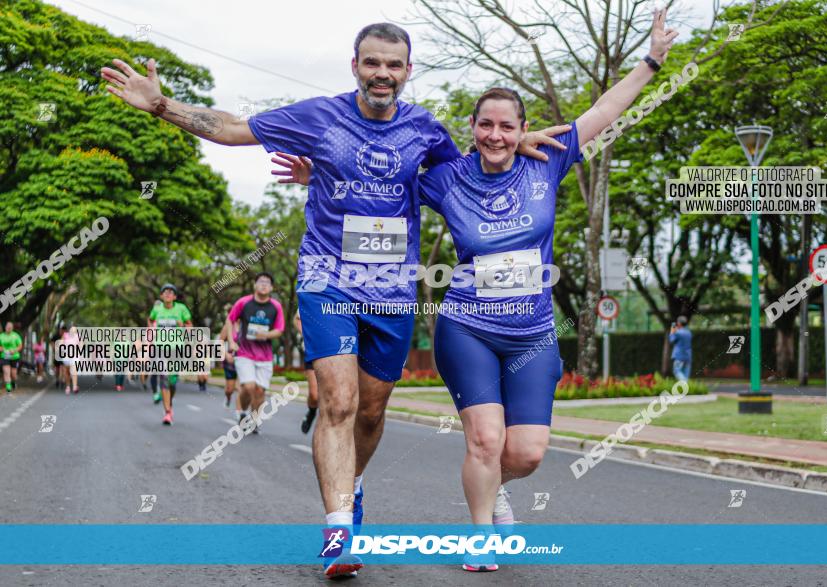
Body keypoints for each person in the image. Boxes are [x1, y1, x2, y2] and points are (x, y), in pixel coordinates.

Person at [102, 21, 562, 580]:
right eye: (373, 63)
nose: (383, 74)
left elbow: (469, 175)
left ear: (407, 71)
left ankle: (354, 485)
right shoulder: (319, 116)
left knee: (370, 411)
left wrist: (520, 144)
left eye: (394, 65)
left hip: (393, 288)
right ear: (355, 66)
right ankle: (339, 525)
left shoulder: (425, 129)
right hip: (327, 279)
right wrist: (161, 106)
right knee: (339, 402)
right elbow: (230, 128)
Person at [275, 9, 678, 573]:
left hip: (533, 332)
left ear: (521, 130)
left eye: (507, 126)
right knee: (485, 442)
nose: (495, 135)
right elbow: (377, 176)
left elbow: (606, 110)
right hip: (468, 325)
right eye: (485, 125)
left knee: (525, 453)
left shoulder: (549, 163)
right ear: (471, 128)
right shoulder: (446, 178)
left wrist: (653, 61)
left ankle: (498, 488)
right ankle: (481, 533)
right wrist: (320, 175)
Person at [224, 273, 285, 434]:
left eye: (267, 282)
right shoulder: (243, 302)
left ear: (271, 288)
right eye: (261, 282)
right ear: (255, 285)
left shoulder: (276, 306)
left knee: (260, 391)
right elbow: (230, 320)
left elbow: (279, 330)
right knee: (248, 386)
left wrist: (265, 335)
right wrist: (231, 341)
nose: (264, 285)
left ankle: (254, 418)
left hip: (265, 356)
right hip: (244, 352)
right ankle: (242, 412)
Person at [148, 284, 193, 425]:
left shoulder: (181, 309)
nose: (167, 294)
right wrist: (151, 331)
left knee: (172, 381)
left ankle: (170, 403)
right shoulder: (156, 309)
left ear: (174, 296)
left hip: (176, 349)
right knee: (164, 377)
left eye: (171, 292)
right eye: (165, 292)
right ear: (161, 296)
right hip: (160, 347)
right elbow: (150, 319)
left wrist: (183, 327)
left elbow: (190, 326)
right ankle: (167, 412)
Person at [293, 309, 319, 434]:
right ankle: (312, 412)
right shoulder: (314, 291)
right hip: (313, 350)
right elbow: (297, 318)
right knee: (314, 396)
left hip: (338, 352)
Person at [218, 307, 239, 408]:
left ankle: (241, 412)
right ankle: (228, 396)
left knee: (241, 387)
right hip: (230, 360)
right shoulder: (228, 326)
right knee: (230, 389)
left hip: (245, 359)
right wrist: (226, 355)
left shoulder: (247, 325)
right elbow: (220, 342)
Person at [0, 322, 24, 393]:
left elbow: (20, 346)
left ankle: (13, 381)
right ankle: (8, 387)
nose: (9, 329)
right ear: (5, 327)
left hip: (14, 357)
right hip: (4, 356)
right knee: (6, 371)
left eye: (10, 328)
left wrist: (14, 350)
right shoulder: (1, 336)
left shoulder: (16, 336)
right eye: (8, 327)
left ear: (12, 328)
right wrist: (1, 349)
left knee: (13, 374)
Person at [669, 315, 692, 382]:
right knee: (686, 374)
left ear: (679, 323)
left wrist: (672, 329)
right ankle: (685, 389)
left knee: (677, 371)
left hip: (679, 357)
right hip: (688, 356)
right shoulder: (689, 332)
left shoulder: (678, 333)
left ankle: (684, 382)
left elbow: (671, 340)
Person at [61, 325, 80, 394]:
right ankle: (68, 386)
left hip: (75, 356)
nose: (73, 331)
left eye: (75, 330)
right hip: (66, 356)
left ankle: (75, 386)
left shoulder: (78, 336)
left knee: (74, 371)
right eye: (72, 329)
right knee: (67, 372)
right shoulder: (65, 335)